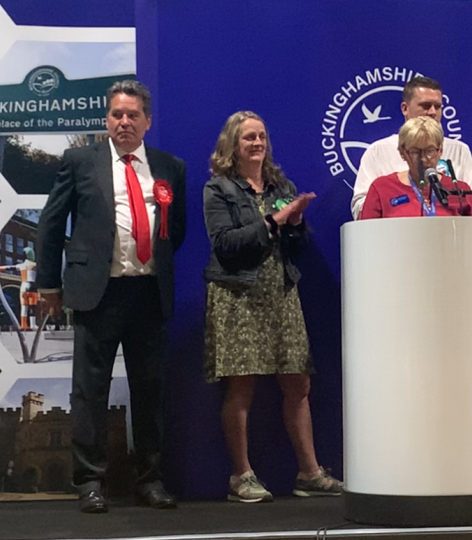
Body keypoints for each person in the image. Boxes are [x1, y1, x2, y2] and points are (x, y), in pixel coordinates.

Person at [36, 80, 186, 513]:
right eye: (117, 114)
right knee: (89, 391)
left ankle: (149, 480)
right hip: (96, 294)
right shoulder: (79, 161)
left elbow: (174, 232)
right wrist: (49, 284)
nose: (124, 122)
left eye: (132, 115)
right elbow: (51, 224)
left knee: (149, 391)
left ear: (147, 122)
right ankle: (89, 482)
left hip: (148, 293)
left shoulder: (169, 166)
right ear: (107, 120)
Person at [202, 111, 342, 504]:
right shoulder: (219, 188)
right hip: (237, 295)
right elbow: (226, 244)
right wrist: (274, 220)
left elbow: (295, 247)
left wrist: (294, 223)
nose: (257, 143)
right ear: (233, 144)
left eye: (262, 136)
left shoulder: (282, 186)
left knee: (299, 384)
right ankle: (241, 476)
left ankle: (309, 473)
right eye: (249, 137)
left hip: (281, 293)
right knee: (242, 386)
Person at [351, 76, 472, 218]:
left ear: (440, 150)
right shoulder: (377, 151)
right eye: (426, 105)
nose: (433, 112)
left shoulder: (459, 150)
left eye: (437, 107)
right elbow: (362, 209)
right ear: (405, 108)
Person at [359, 116, 472, 219]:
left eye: (430, 151)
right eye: (415, 152)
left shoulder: (459, 189)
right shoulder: (382, 188)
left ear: (440, 151)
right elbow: (365, 236)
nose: (423, 159)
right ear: (402, 153)